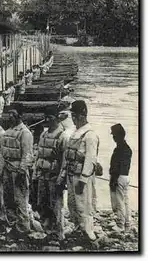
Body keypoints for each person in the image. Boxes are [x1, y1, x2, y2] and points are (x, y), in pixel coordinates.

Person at [60, 100, 100, 241]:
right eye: (72, 115)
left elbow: (90, 159)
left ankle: (88, 233)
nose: (73, 118)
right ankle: (77, 226)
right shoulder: (74, 133)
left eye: (75, 116)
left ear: (83, 114)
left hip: (81, 176)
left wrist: (83, 179)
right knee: (72, 203)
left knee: (84, 204)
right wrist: (63, 174)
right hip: (71, 174)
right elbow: (67, 157)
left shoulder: (90, 135)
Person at [0, 108, 33, 238]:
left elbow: (27, 155)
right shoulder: (7, 133)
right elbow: (2, 154)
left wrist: (22, 171)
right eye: (9, 114)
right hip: (7, 169)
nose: (10, 117)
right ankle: (12, 223)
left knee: (20, 199)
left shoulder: (25, 133)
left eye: (13, 114)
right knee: (8, 198)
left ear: (20, 115)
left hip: (17, 170)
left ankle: (23, 227)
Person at [34, 106, 71, 240]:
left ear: (56, 119)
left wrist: (61, 179)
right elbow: (38, 155)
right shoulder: (43, 134)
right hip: (42, 175)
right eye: (46, 117)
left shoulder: (63, 137)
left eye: (50, 117)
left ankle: (58, 233)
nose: (47, 120)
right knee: (42, 203)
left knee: (56, 205)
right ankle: (47, 229)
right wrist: (35, 173)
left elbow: (66, 161)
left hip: (54, 176)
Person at [109, 123, 132, 232]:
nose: (113, 138)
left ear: (118, 135)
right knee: (125, 201)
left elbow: (117, 167)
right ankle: (127, 224)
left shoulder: (119, 149)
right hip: (125, 177)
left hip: (119, 178)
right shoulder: (127, 148)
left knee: (119, 202)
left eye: (114, 135)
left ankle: (120, 225)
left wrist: (113, 180)